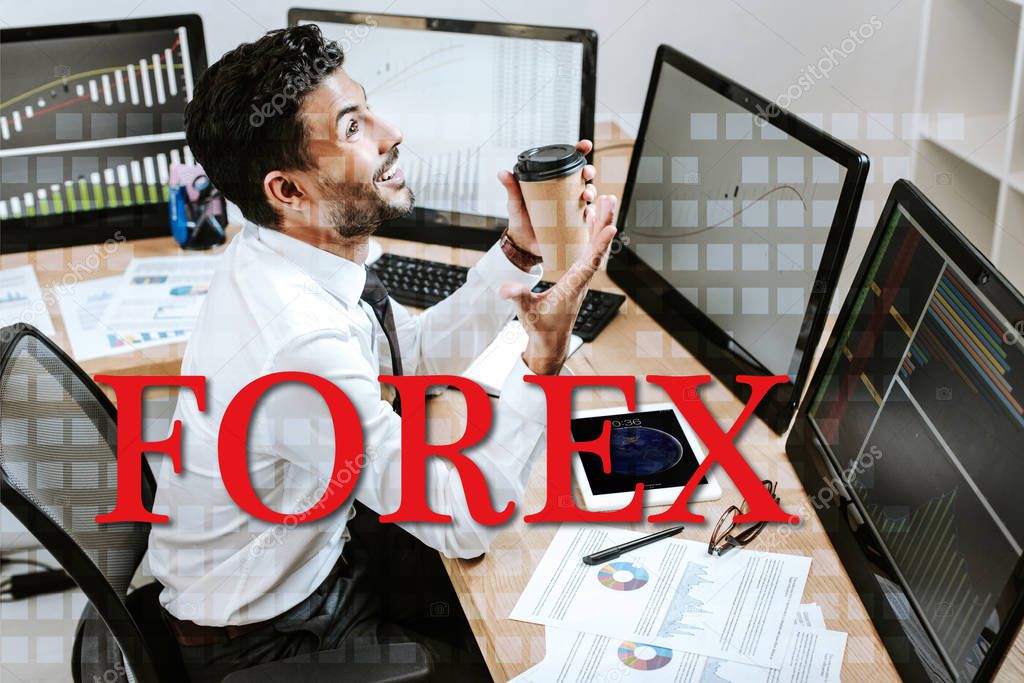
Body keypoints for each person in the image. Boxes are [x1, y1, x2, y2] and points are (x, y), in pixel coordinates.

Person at [147, 24, 617, 681]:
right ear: (288, 191)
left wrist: (519, 251)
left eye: (368, 109)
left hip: (319, 564)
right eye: (352, 128)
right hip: (268, 640)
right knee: (521, 657)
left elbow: (407, 359)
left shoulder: (287, 249)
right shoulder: (296, 342)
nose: (390, 132)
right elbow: (465, 522)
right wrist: (544, 359)